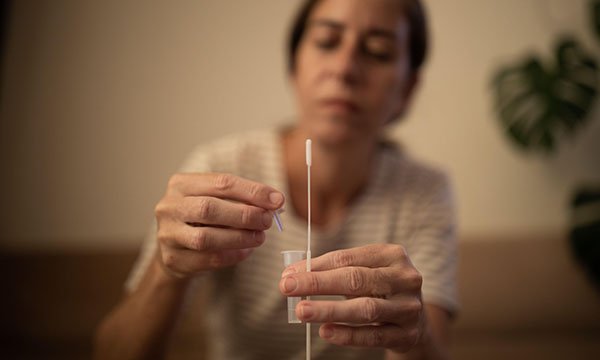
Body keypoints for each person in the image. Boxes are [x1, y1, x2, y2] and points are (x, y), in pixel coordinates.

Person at [94, 0, 458, 359]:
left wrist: (414, 335)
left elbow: (428, 346)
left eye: (378, 52)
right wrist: (166, 269)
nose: (345, 68)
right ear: (294, 64)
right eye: (327, 42)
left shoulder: (423, 193)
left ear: (407, 90)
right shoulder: (221, 168)